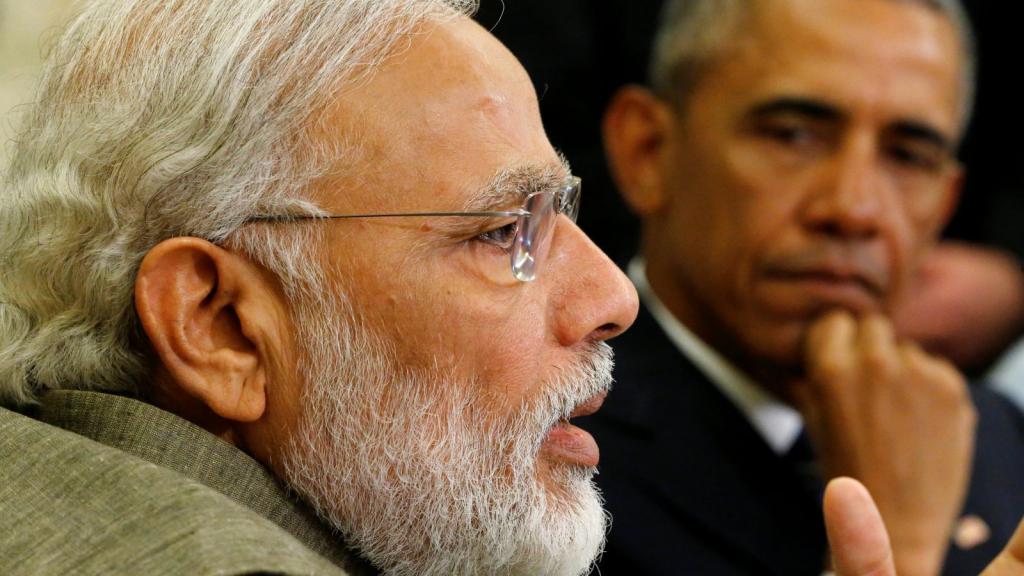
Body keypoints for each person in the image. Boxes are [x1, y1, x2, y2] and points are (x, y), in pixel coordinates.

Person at [590, 0, 1024, 574]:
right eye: (793, 136)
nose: (854, 208)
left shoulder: (999, 440)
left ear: (945, 205)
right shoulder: (534, 440)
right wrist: (900, 541)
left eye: (908, 156)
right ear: (648, 151)